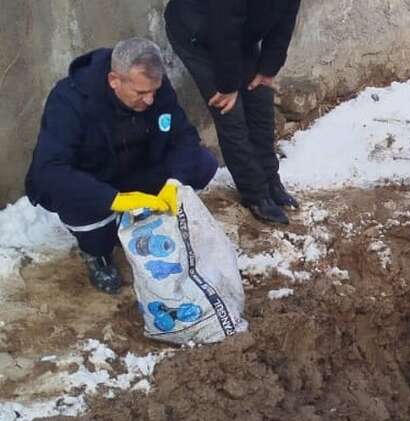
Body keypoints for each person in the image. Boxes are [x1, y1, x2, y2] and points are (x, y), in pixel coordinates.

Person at [25, 38, 218, 295]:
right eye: (140, 93)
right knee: (82, 211)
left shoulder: (156, 90)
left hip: (137, 170)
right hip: (95, 181)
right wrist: (113, 199)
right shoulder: (70, 100)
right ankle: (97, 252)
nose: (150, 100)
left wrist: (174, 182)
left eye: (154, 91)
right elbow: (50, 170)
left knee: (202, 164)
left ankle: (145, 221)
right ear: (114, 80)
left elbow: (184, 136)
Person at [165, 0, 301, 225]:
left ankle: (271, 181)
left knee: (260, 100)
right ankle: (255, 194)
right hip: (198, 33)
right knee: (230, 113)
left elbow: (286, 20)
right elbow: (224, 28)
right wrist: (228, 86)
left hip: (237, 33)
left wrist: (268, 67)